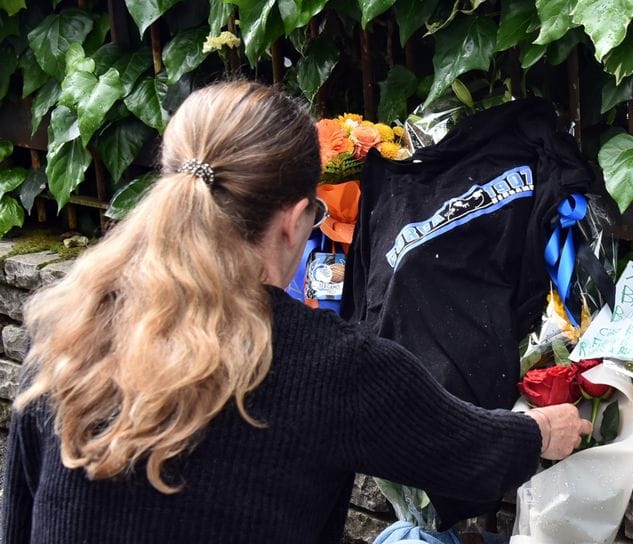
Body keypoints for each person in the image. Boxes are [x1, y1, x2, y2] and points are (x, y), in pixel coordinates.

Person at [0, 81, 591, 543]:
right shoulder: (331, 367)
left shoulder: (66, 335)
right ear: (292, 220)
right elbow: (466, 453)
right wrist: (544, 429)